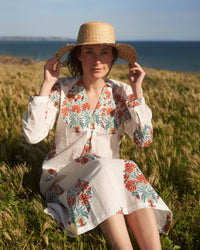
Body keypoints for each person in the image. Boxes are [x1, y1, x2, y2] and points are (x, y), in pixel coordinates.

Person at [22, 21, 172, 249]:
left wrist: (137, 92)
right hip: (63, 181)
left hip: (107, 178)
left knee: (124, 167)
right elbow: (33, 136)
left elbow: (144, 139)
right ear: (79, 56)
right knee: (104, 167)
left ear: (113, 57)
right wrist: (46, 84)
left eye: (104, 52)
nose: (98, 60)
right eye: (89, 52)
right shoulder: (60, 89)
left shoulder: (123, 93)